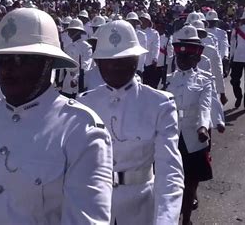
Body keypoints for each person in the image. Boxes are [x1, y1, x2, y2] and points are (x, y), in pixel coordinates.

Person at [0, 7, 113, 224]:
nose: (8, 69)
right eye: (1, 60)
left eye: (19, 59)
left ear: (47, 62)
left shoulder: (81, 129)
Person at [78, 20, 184, 225]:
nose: (115, 65)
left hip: (141, 206)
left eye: (124, 58)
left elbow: (169, 171)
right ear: (98, 63)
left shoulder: (159, 104)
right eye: (108, 60)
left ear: (136, 59)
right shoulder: (84, 103)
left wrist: (165, 220)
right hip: (93, 205)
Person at [166, 25, 213, 225]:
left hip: (194, 137)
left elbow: (205, 106)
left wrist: (203, 127)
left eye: (186, 58)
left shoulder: (204, 81)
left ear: (196, 59)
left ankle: (186, 218)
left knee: (190, 180)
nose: (182, 61)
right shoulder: (167, 80)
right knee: (172, 181)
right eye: (179, 58)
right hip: (171, 137)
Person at [61, 18, 93, 97]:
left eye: (72, 31)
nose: (69, 33)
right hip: (67, 83)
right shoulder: (68, 47)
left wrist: (76, 78)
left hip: (80, 82)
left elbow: (86, 65)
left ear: (79, 32)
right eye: (69, 31)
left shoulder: (86, 47)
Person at [139, 13, 160, 88]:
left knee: (148, 84)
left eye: (145, 20)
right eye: (141, 20)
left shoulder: (154, 33)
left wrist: (155, 58)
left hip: (148, 62)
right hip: (137, 61)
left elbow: (156, 46)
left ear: (149, 22)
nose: (143, 22)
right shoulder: (136, 31)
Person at [125, 12, 148, 77]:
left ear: (136, 23)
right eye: (129, 21)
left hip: (137, 67)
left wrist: (139, 68)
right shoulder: (123, 34)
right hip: (125, 67)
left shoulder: (142, 35)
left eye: (133, 21)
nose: (131, 23)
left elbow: (143, 53)